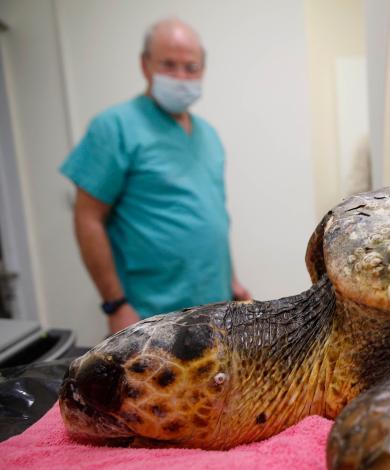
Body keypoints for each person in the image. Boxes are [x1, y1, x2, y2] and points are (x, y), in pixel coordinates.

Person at [61, 18, 250, 335]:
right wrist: (115, 304)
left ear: (203, 70)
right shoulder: (114, 127)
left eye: (191, 67)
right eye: (169, 65)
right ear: (145, 65)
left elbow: (214, 213)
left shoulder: (209, 136)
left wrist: (231, 280)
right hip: (150, 315)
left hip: (214, 308)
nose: (181, 76)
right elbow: (87, 217)